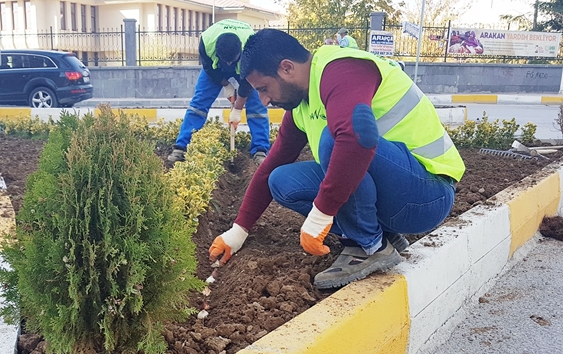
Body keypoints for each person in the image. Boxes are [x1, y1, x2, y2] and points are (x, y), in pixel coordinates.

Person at [208, 29, 465, 289]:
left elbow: (357, 138)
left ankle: (368, 246)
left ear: (286, 68)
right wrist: (238, 231)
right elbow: (269, 167)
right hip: (397, 194)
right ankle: (380, 235)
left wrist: (322, 213)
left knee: (339, 137)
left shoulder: (343, 69)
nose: (263, 101)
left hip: (428, 195)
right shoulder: (303, 104)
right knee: (281, 180)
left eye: (264, 89)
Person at [168, 19, 270, 164]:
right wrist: (226, 84)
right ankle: (181, 147)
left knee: (257, 106)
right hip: (216, 68)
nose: (229, 65)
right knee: (199, 104)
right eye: (226, 61)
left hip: (245, 68)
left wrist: (237, 109)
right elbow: (209, 69)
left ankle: (260, 150)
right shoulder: (206, 41)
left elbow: (246, 84)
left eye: (231, 61)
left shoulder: (251, 47)